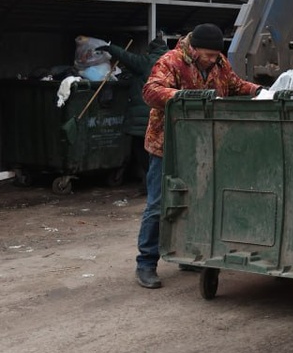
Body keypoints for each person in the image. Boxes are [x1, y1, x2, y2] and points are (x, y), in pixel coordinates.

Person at [134, 23, 262, 289]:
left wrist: (257, 90)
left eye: (216, 55)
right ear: (193, 49)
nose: (214, 60)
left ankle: (189, 255)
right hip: (167, 144)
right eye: (209, 55)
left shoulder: (219, 63)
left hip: (203, 146)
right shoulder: (170, 61)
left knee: (197, 202)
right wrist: (184, 97)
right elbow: (151, 91)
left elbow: (234, 85)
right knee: (159, 205)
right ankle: (146, 263)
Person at [96, 35, 169, 187]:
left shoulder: (147, 62)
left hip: (143, 119)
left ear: (151, 50)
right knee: (156, 152)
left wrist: (109, 47)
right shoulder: (169, 62)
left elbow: (126, 56)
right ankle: (151, 183)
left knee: (142, 151)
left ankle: (150, 185)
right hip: (161, 115)